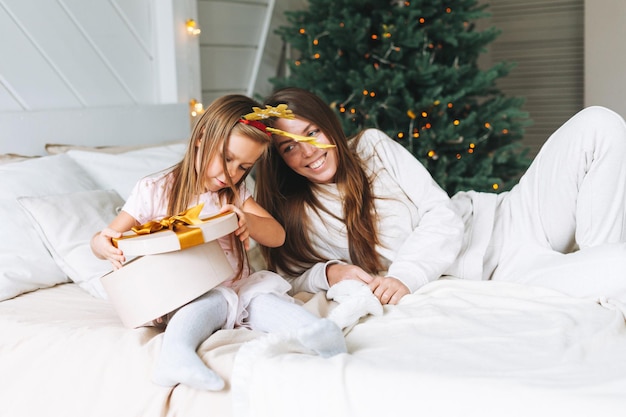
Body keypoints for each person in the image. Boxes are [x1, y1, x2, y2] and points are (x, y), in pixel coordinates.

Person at [255, 87, 626, 305]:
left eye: (313, 133)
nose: (308, 152)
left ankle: (595, 258)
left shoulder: (372, 147)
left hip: (511, 216)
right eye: (289, 147)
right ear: (280, 159)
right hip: (503, 275)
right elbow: (286, 276)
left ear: (329, 127)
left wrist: (406, 276)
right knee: (619, 266)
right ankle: (600, 273)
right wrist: (329, 272)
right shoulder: (296, 213)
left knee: (599, 123)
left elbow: (441, 213)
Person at [91, 94, 347, 392]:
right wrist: (103, 243)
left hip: (237, 287)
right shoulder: (155, 190)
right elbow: (106, 238)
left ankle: (317, 334)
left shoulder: (234, 195)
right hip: (184, 292)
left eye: (243, 167)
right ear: (201, 138)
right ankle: (175, 356)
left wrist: (248, 222)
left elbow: (277, 236)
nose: (232, 173)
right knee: (210, 301)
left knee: (262, 298)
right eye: (227, 158)